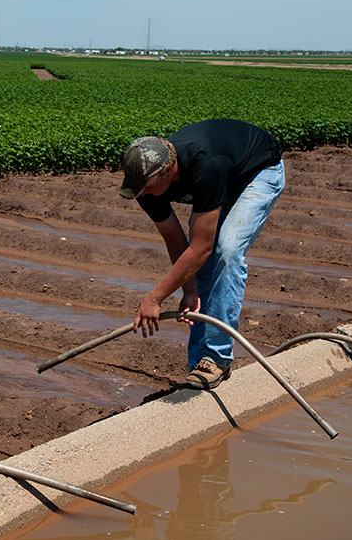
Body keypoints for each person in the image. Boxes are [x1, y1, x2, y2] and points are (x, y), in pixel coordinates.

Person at [118, 119, 285, 389]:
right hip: (226, 175)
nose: (143, 194)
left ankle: (216, 359)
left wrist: (155, 298)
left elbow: (201, 248)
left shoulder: (207, 165)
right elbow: (174, 239)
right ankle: (200, 364)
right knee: (199, 267)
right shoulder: (145, 185)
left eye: (147, 187)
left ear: (169, 170)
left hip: (258, 170)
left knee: (225, 251)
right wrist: (190, 289)